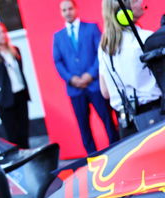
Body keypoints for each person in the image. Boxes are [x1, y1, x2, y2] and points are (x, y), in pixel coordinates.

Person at [53, 0, 119, 154]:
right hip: (75, 90)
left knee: (108, 121)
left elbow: (100, 53)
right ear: (61, 13)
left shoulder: (91, 28)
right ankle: (92, 158)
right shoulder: (58, 36)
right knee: (84, 126)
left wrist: (90, 74)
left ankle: (116, 151)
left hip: (95, 85)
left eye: (70, 8)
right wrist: (71, 79)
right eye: (64, 10)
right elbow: (58, 62)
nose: (67, 12)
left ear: (76, 9)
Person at [98, 0, 162, 138]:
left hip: (126, 126)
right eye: (135, 0)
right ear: (124, 12)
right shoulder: (147, 38)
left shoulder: (104, 47)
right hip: (155, 117)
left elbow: (105, 92)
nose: (141, 2)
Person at [0, 22, 31, 149]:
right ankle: (19, 164)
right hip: (4, 100)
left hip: (20, 95)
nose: (2, 35)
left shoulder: (15, 51)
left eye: (3, 31)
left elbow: (20, 71)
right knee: (12, 135)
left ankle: (29, 160)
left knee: (24, 131)